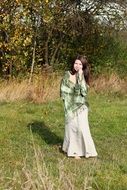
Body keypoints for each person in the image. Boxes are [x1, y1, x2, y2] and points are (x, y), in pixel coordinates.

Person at [60, 55, 97, 159]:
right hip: (70, 106)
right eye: (76, 63)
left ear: (83, 66)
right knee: (71, 128)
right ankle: (73, 151)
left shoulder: (83, 78)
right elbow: (63, 91)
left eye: (80, 64)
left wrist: (80, 77)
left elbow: (84, 92)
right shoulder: (67, 75)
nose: (77, 66)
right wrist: (67, 103)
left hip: (81, 107)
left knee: (82, 128)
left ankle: (87, 150)